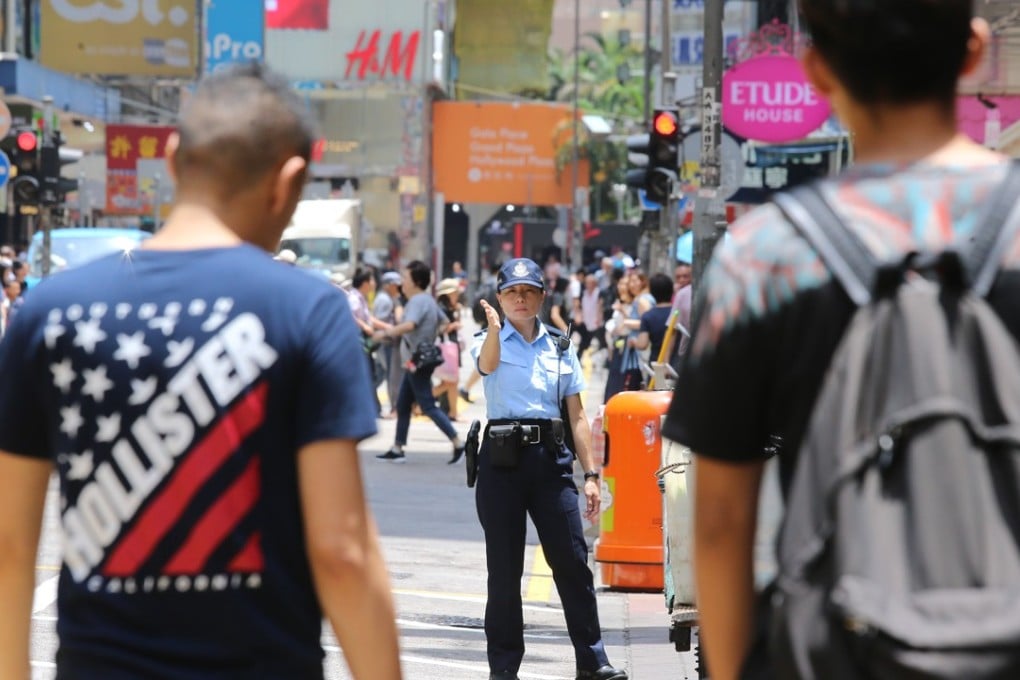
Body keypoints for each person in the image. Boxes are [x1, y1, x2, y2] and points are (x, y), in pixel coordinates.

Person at [0, 63, 402, 680]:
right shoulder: (306, 310)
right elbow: (342, 553)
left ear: (171, 157)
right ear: (287, 182)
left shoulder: (47, 314)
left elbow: (8, 544)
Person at [662, 2, 1007, 679]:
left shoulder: (763, 258)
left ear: (816, 70)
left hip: (832, 649)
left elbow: (722, 519)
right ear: (975, 51)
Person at [472, 257, 627, 680]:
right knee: (504, 570)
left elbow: (576, 416)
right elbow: (486, 366)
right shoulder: (489, 340)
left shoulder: (560, 345)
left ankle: (593, 661)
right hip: (501, 462)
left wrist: (591, 475)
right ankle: (503, 668)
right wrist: (491, 330)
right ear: (500, 299)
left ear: (542, 296)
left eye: (528, 292)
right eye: (511, 292)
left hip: (550, 463)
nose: (520, 299)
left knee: (573, 562)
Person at [375, 260, 464, 464]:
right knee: (404, 404)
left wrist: (386, 333)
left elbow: (409, 324)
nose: (402, 282)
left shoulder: (417, 301)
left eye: (405, 278)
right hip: (417, 360)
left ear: (416, 281)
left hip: (418, 361)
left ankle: (458, 442)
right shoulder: (429, 300)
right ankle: (397, 448)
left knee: (427, 405)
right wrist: (430, 336)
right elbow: (443, 323)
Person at [432, 277, 464, 420]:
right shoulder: (442, 308)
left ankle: (453, 412)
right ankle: (419, 403)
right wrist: (454, 325)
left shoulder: (449, 307)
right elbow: (440, 328)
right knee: (451, 382)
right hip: (447, 348)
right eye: (455, 292)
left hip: (450, 348)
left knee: (450, 381)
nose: (457, 295)